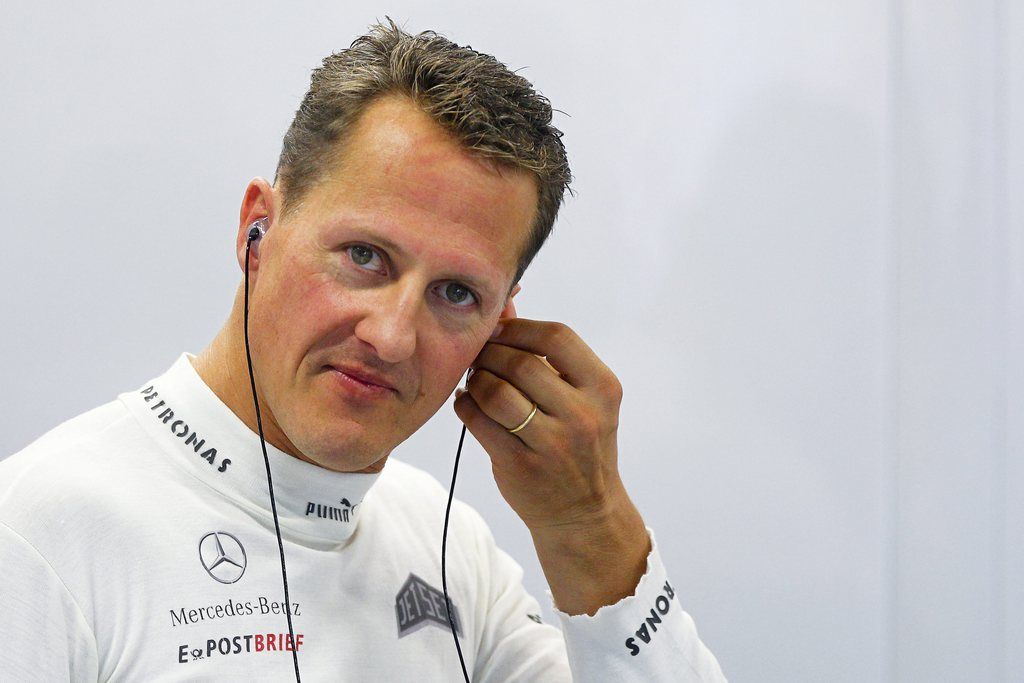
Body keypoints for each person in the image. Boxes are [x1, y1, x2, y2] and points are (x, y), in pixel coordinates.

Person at [0, 18, 726, 682]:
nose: (390, 335)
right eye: (364, 255)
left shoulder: (448, 549)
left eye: (455, 294)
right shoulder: (40, 536)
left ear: (498, 330)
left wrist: (591, 524)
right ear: (259, 229)